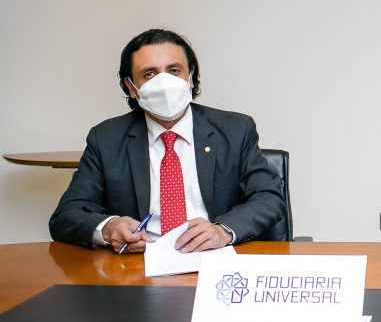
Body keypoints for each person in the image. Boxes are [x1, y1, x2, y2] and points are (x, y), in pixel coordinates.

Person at [49, 29, 286, 253]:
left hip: (214, 257)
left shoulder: (235, 129)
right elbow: (66, 215)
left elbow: (269, 198)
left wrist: (223, 230)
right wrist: (110, 227)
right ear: (131, 87)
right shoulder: (106, 139)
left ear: (190, 77)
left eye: (174, 70)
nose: (164, 83)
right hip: (139, 262)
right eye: (149, 74)